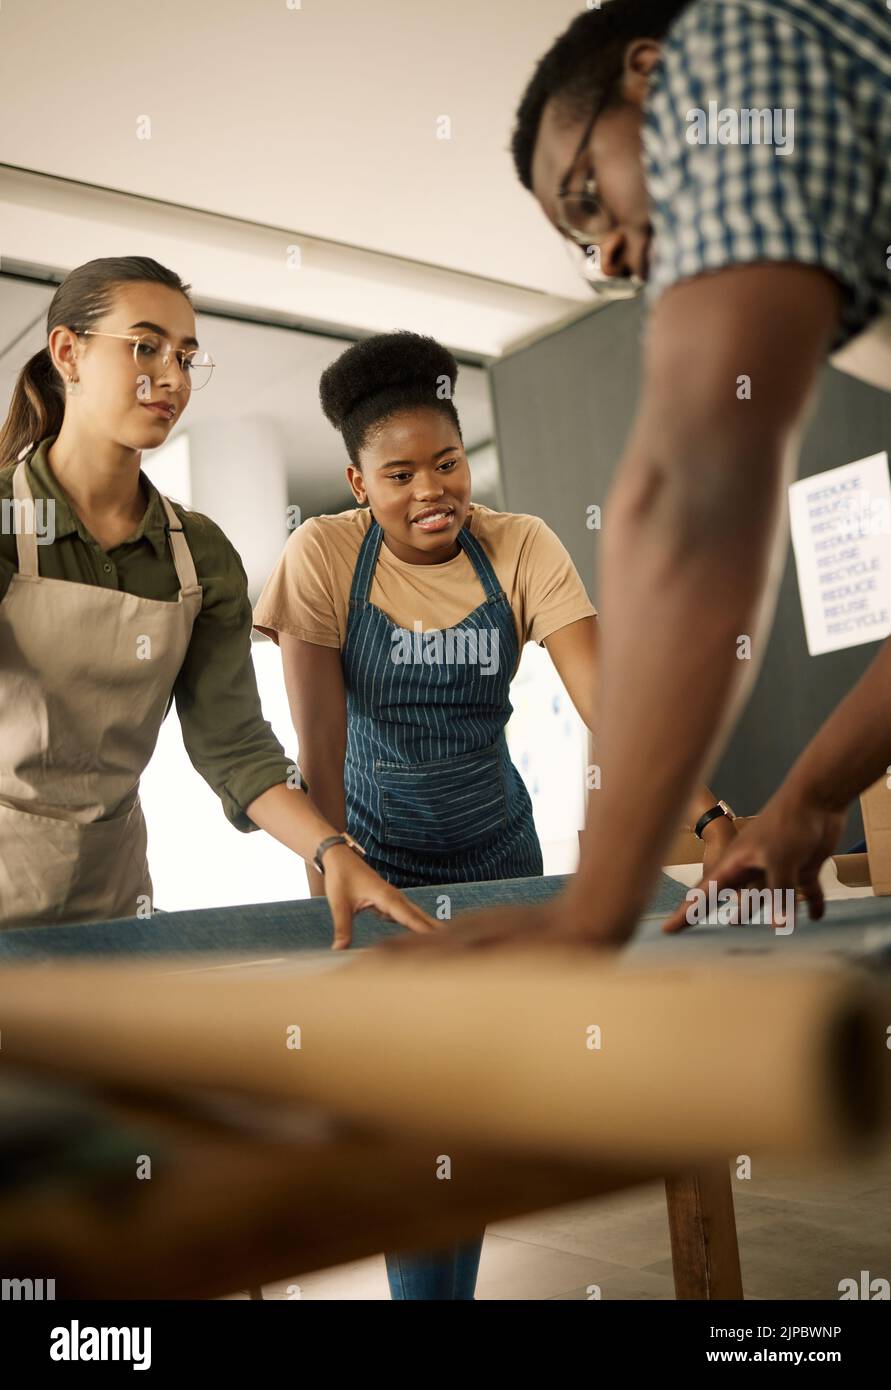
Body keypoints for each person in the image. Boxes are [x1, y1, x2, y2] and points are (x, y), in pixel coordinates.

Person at [392, 0, 891, 954]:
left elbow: (688, 496)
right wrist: (808, 801)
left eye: (584, 198)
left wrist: (594, 912)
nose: (611, 252)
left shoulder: (733, 44)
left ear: (650, 74)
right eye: (586, 248)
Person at [253, 328, 735, 1295]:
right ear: (356, 484)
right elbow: (321, 752)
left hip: (500, 858)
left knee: (470, 1107)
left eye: (447, 462)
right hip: (382, 867)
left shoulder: (522, 546)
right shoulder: (319, 555)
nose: (431, 490)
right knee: (413, 1111)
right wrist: (332, 879)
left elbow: (618, 711)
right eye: (399, 474)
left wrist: (712, 818)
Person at [0, 255, 434, 942]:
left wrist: (331, 850)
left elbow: (235, 748)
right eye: (146, 347)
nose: (173, 377)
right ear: (67, 353)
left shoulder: (198, 556)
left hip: (109, 901)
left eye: (186, 355)